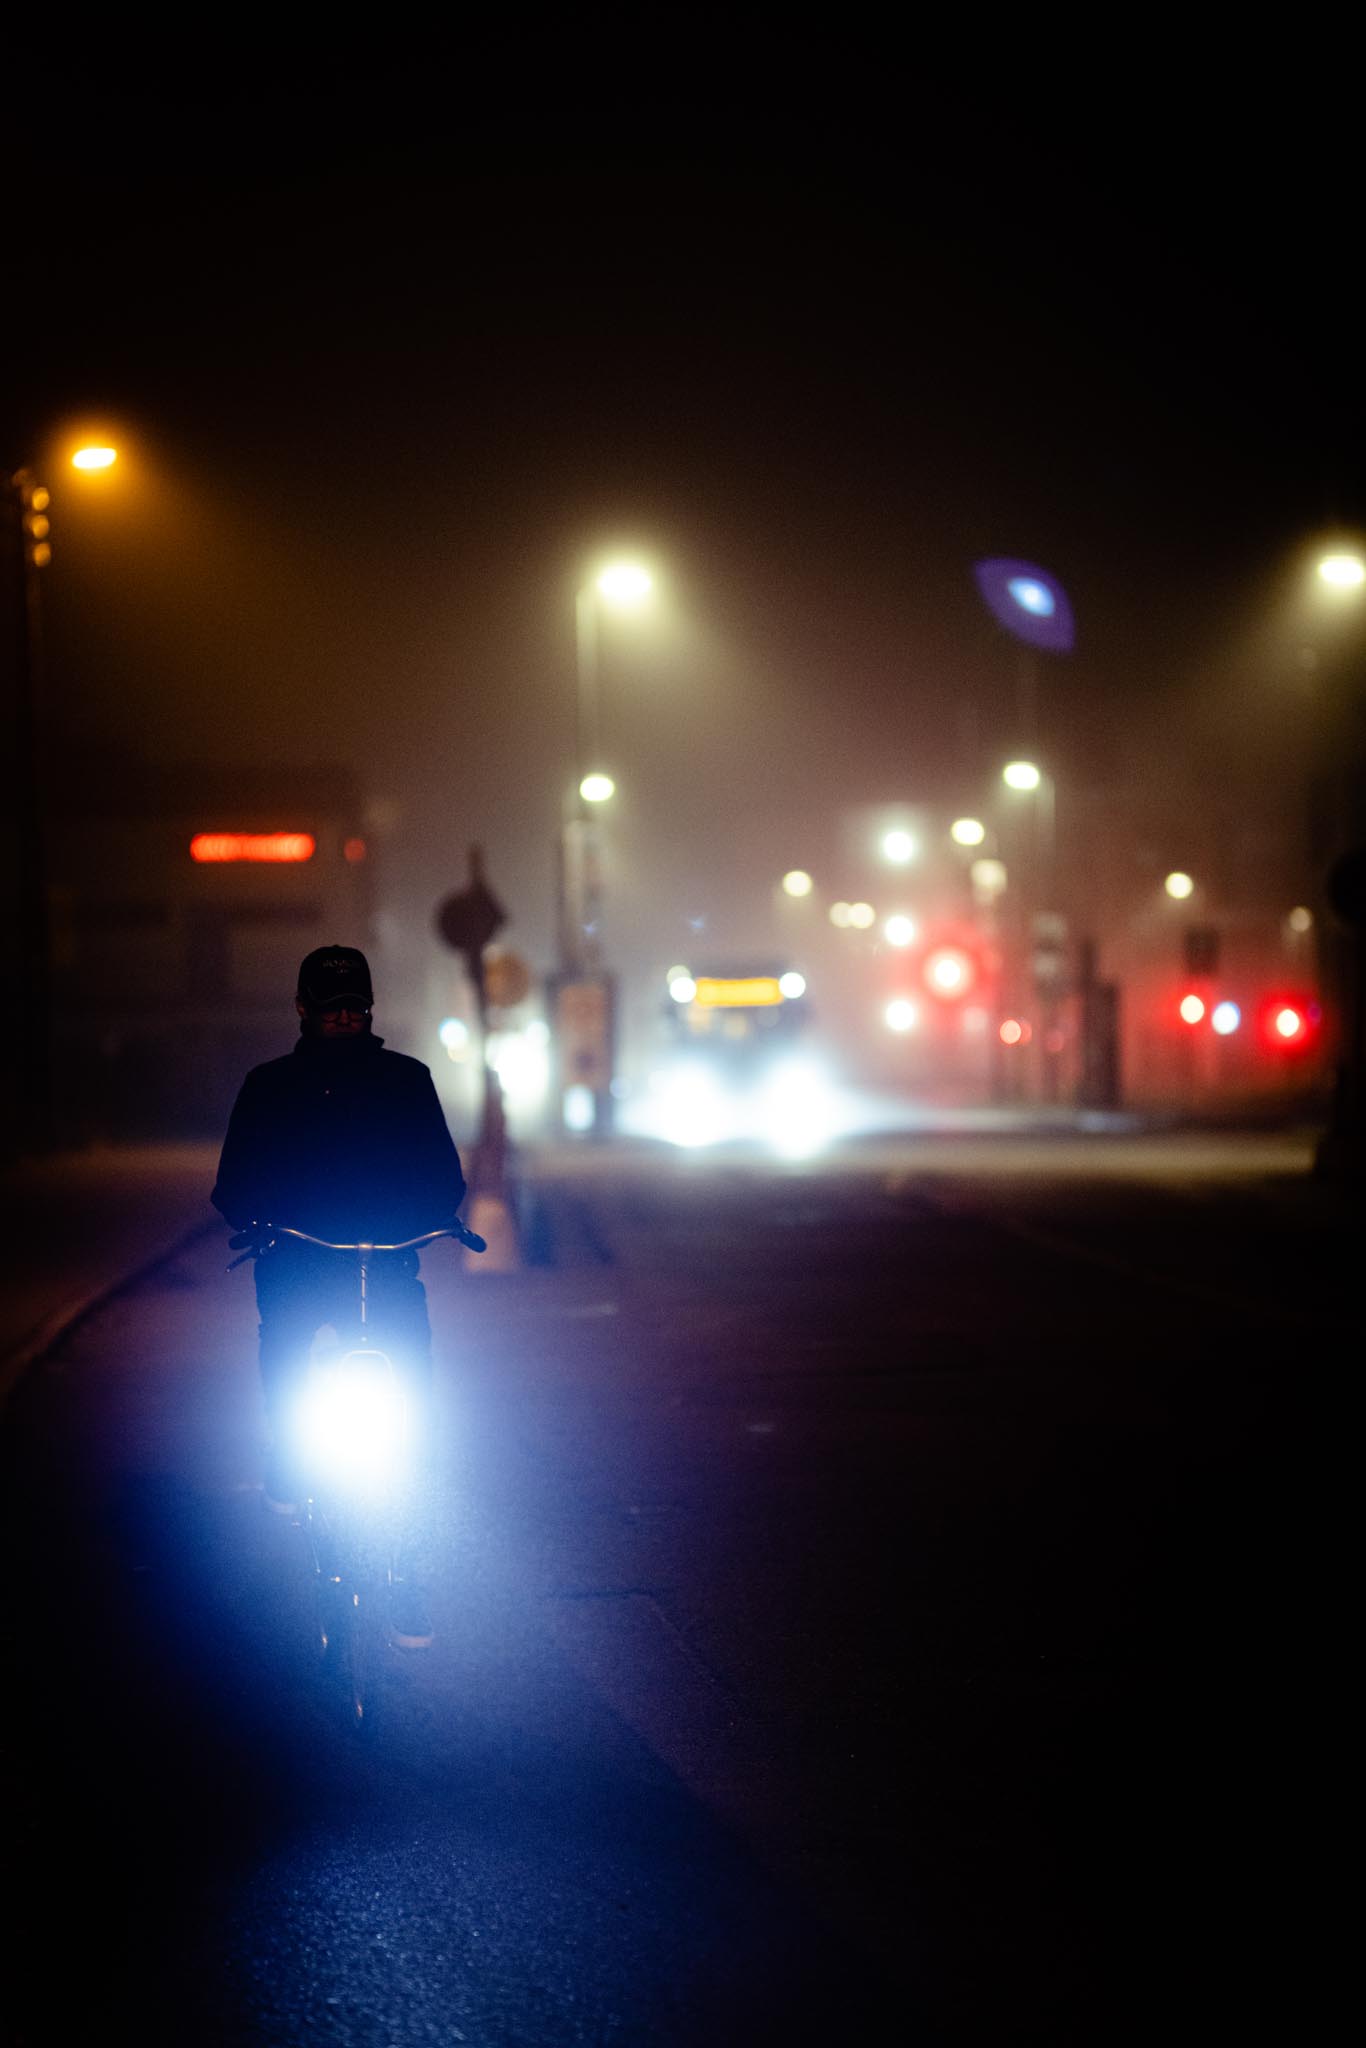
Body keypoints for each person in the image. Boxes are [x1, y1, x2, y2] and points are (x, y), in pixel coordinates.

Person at [212, 944, 465, 1647]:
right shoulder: (269, 1086)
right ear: (302, 1010)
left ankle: (406, 1572)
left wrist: (434, 1216)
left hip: (383, 1267)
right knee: (286, 1360)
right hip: (296, 1263)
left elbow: (442, 1173)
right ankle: (288, 1457)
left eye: (356, 1006)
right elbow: (233, 1182)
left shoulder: (406, 1080)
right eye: (331, 1009)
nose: (346, 1018)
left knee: (415, 1406)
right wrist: (255, 1218)